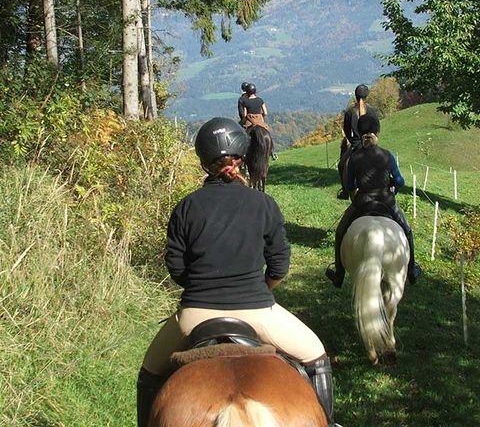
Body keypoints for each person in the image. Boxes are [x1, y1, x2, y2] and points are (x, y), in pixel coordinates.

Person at [136, 118, 340, 427]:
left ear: (204, 163)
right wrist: (264, 287)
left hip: (195, 316)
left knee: (149, 373)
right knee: (317, 357)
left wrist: (203, 286)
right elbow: (279, 264)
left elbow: (176, 267)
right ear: (241, 158)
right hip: (258, 310)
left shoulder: (186, 207)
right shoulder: (263, 204)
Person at [326, 112, 422, 288]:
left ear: (360, 132)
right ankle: (411, 270)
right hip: (386, 201)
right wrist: (393, 184)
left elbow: (348, 185)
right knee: (407, 231)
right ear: (377, 132)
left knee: (340, 233)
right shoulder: (387, 155)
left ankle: (339, 275)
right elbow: (400, 181)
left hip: (362, 202)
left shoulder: (355, 157)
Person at [336, 84, 378, 200]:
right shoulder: (372, 111)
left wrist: (353, 141)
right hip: (372, 145)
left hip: (356, 145)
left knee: (341, 165)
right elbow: (377, 129)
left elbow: (347, 131)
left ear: (355, 96)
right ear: (367, 96)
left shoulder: (350, 112)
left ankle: (345, 192)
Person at [239, 83, 277, 160]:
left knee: (243, 135)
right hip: (260, 120)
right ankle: (272, 152)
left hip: (250, 121)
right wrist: (260, 117)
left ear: (247, 92)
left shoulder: (245, 102)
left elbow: (245, 114)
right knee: (267, 132)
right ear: (255, 91)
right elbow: (265, 112)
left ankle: (243, 155)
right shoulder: (260, 100)